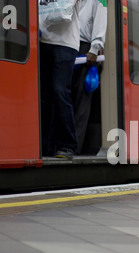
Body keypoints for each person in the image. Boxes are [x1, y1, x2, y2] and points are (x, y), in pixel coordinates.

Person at [40, 0, 85, 159]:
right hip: (43, 39)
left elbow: (64, 12)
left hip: (65, 43)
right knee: (44, 96)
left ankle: (68, 145)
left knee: (60, 91)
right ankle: (45, 145)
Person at [72, 0, 108, 155]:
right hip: (69, 44)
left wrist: (95, 48)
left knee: (81, 102)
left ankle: (75, 147)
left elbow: (101, 19)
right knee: (68, 99)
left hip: (86, 48)